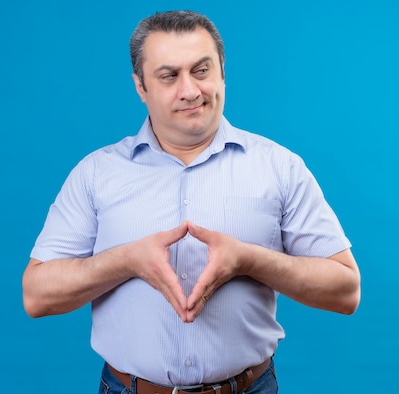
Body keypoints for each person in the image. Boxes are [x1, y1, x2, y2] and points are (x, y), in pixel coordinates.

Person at [22, 10, 360, 394]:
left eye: (201, 71)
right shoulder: (96, 173)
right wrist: (125, 261)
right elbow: (37, 295)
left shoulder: (280, 167)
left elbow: (346, 290)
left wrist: (250, 260)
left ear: (221, 73)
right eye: (169, 76)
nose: (190, 90)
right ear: (141, 87)